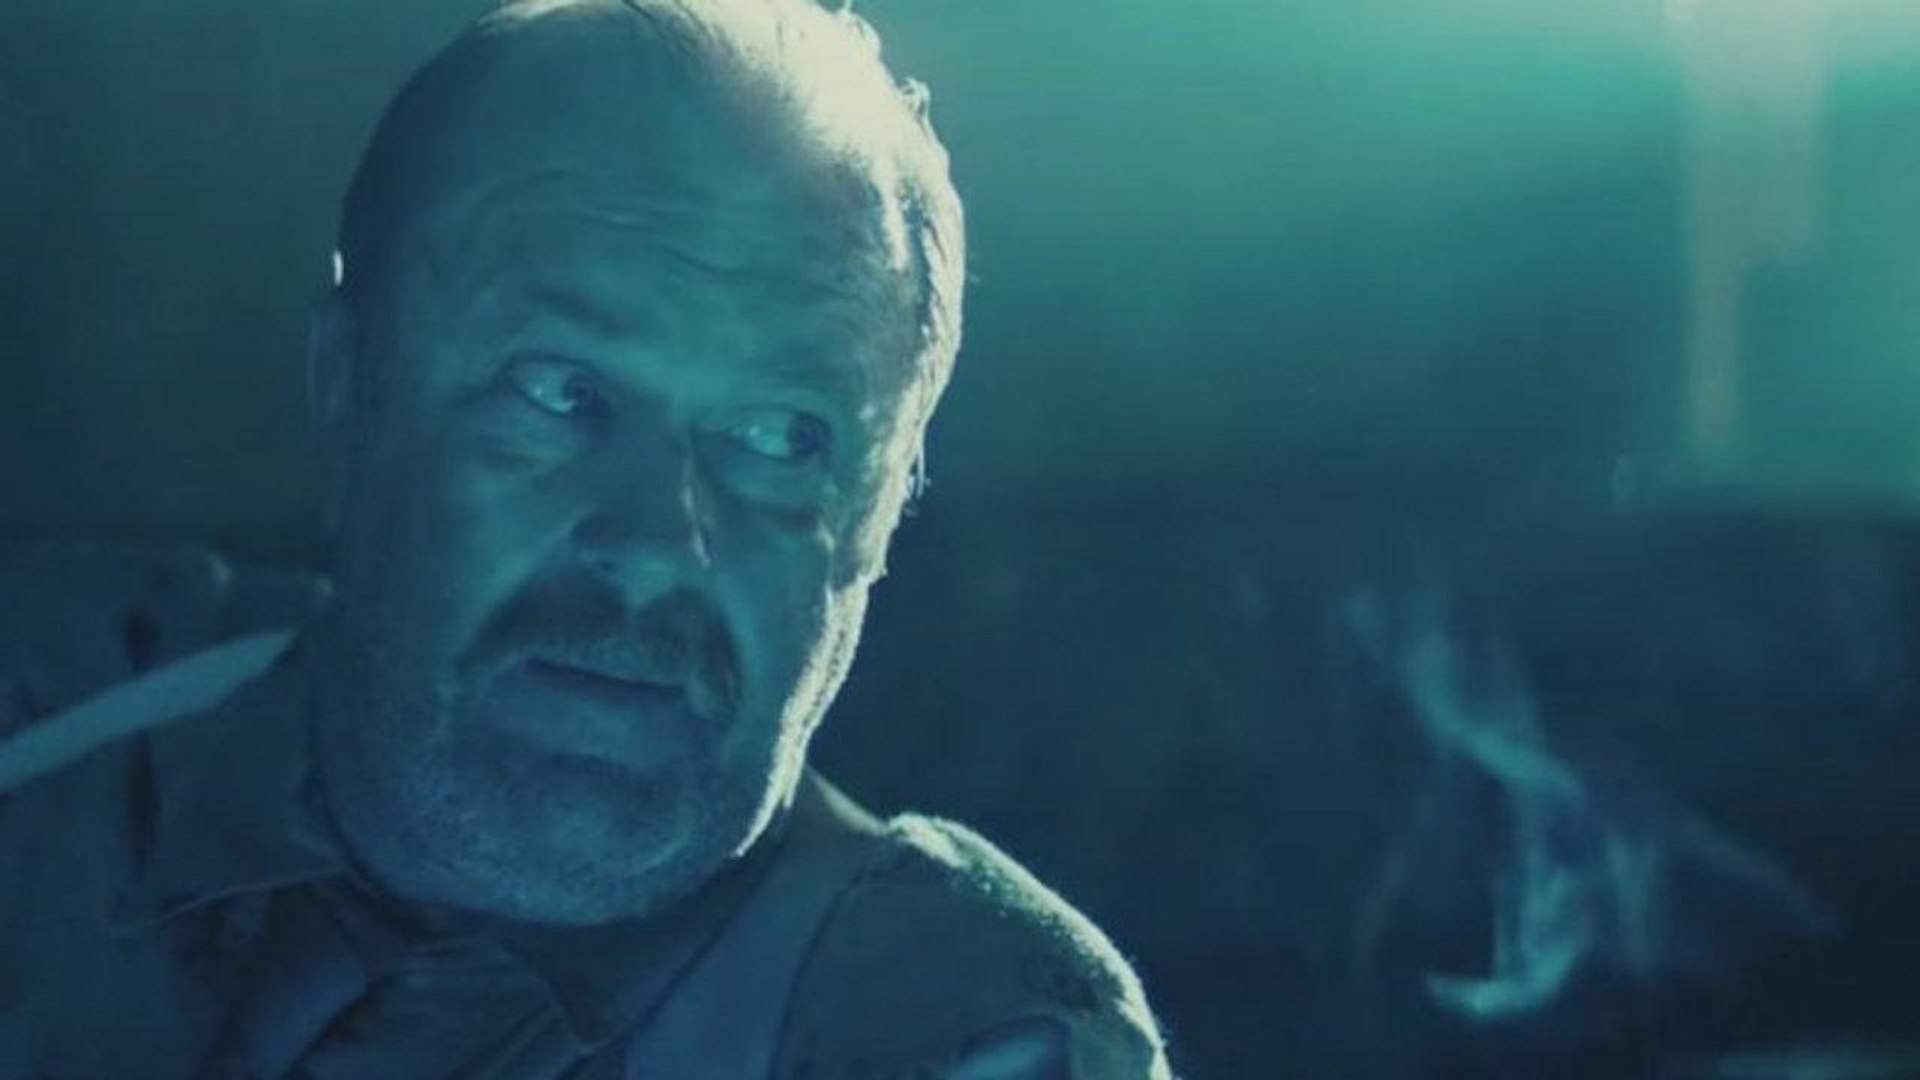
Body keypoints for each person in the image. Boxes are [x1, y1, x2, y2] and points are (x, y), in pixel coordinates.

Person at [0, 2, 1171, 1076]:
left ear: (878, 517)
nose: (658, 543)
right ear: (349, 393)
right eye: (560, 392)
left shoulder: (963, 1040)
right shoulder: (53, 733)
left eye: (780, 437)